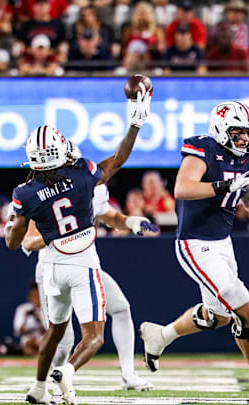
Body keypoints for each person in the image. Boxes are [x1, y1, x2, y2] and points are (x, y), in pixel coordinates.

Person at [139, 101, 249, 401]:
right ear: (221, 129)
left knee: (219, 317)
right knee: (247, 310)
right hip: (195, 243)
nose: (244, 139)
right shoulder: (203, 148)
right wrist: (225, 185)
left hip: (223, 243)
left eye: (248, 133)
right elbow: (183, 188)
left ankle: (161, 335)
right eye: (237, 132)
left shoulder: (248, 154)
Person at [4, 83, 151, 404]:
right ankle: (66, 373)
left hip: (52, 268)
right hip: (82, 265)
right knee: (92, 336)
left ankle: (38, 388)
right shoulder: (84, 174)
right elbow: (118, 159)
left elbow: (14, 242)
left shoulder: (24, 193)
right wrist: (136, 123)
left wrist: (12, 223)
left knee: (56, 332)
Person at [22, 141, 158, 392]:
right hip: (53, 268)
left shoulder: (91, 188)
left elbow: (109, 216)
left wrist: (132, 222)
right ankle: (48, 386)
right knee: (64, 339)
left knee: (121, 308)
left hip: (85, 266)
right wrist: (61, 235)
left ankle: (128, 374)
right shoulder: (45, 192)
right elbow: (27, 240)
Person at [13, 284, 46, 356]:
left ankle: (39, 357)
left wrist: (39, 320)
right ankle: (37, 357)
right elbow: (18, 331)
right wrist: (25, 318)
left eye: (37, 296)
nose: (35, 298)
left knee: (44, 343)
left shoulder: (46, 310)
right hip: (28, 340)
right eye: (33, 296)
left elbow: (49, 332)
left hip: (42, 339)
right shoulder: (23, 309)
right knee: (27, 344)